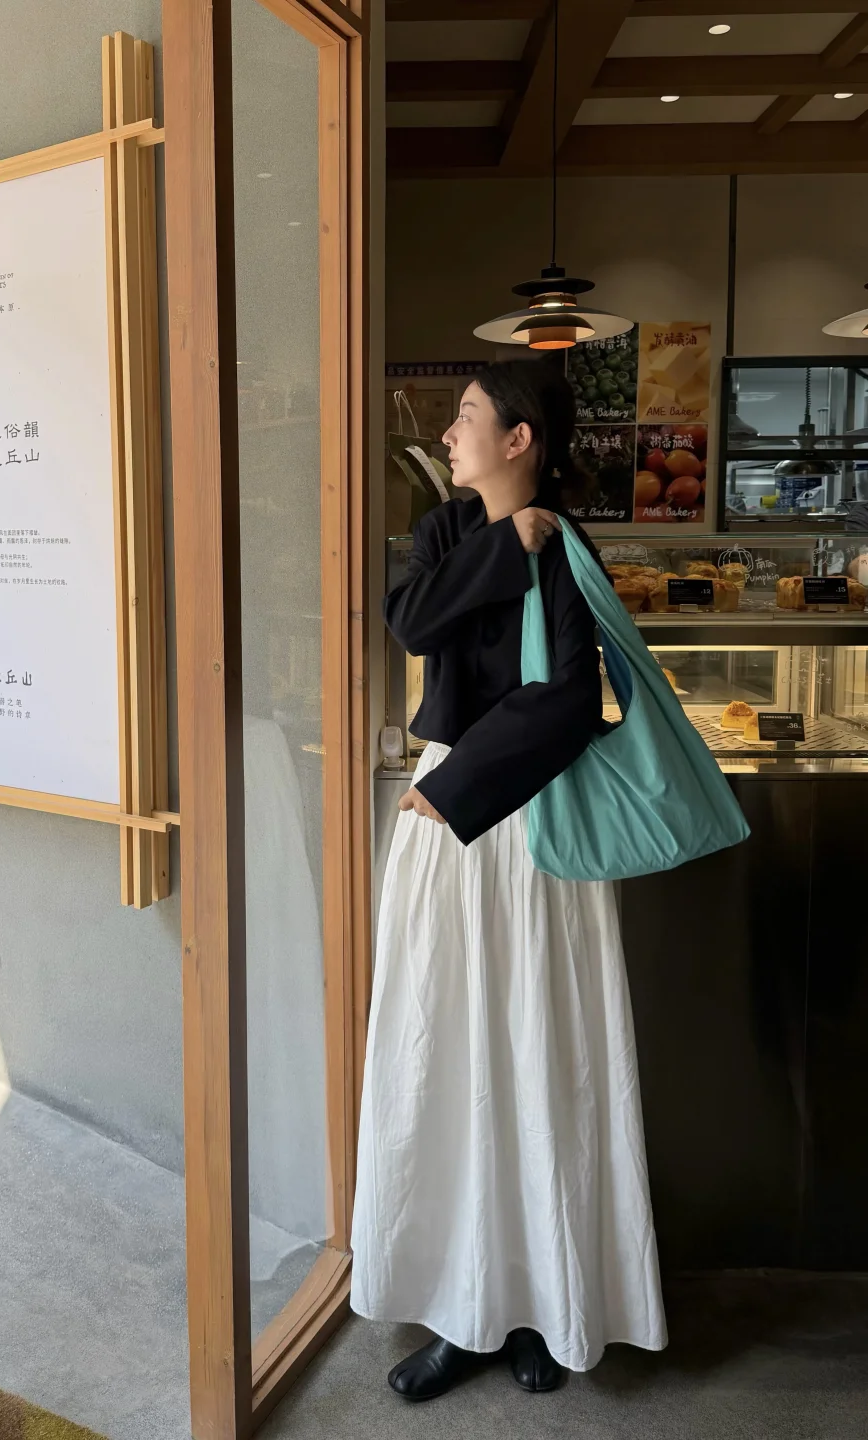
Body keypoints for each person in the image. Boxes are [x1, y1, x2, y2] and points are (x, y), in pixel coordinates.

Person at [350, 359, 667, 1401]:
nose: (450, 435)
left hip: (532, 823)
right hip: (449, 827)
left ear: (519, 438)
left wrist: (457, 789)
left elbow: (573, 702)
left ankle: (535, 1303)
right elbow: (411, 624)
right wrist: (503, 543)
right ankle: (460, 1311)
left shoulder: (573, 545)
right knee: (447, 1057)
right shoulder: (449, 533)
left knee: (540, 1061)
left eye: (466, 417)